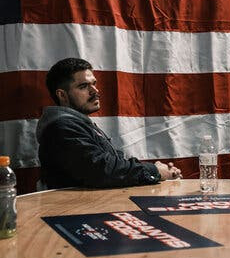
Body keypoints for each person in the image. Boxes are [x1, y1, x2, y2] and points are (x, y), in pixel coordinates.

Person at [36, 58, 181, 189]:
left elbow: (114, 163)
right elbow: (102, 171)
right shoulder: (61, 127)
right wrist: (154, 171)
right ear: (62, 95)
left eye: (94, 84)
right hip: (75, 214)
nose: (95, 91)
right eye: (83, 86)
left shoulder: (79, 124)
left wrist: (158, 172)